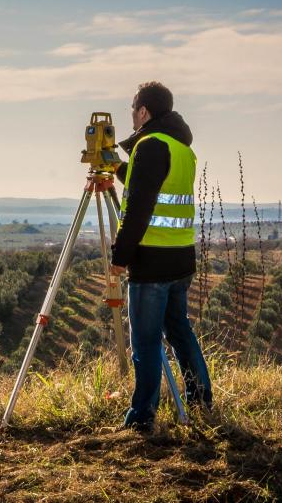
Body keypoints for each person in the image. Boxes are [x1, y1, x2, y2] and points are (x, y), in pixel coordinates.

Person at [109, 81, 212, 433]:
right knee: (180, 332)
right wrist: (117, 168)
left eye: (133, 110)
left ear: (143, 111)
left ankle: (142, 416)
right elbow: (152, 183)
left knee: (146, 342)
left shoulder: (150, 145)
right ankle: (201, 400)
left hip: (152, 262)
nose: (132, 116)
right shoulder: (181, 148)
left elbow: (139, 206)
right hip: (180, 258)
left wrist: (120, 256)